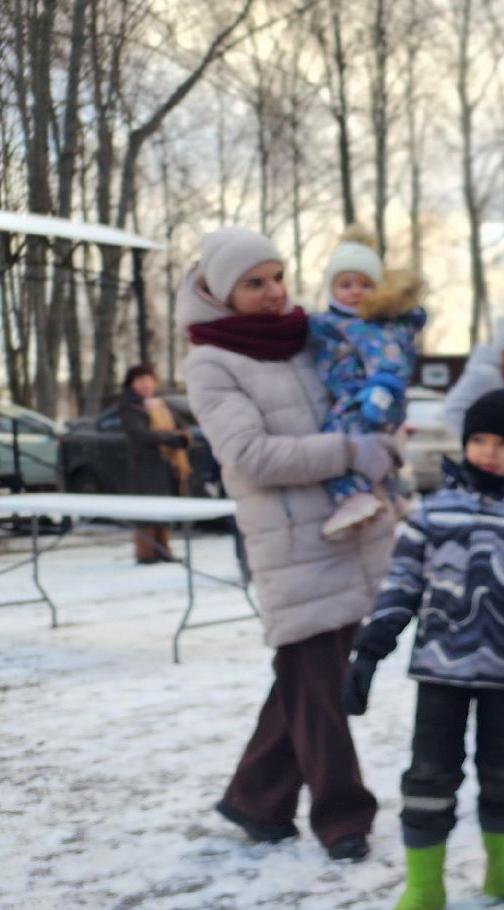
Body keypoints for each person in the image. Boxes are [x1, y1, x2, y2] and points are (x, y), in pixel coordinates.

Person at [182, 226, 399, 863]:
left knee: (305, 681)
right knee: (319, 682)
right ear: (223, 292)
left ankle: (256, 799)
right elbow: (248, 455)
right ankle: (343, 817)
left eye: (277, 276)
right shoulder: (212, 360)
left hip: (345, 530)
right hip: (288, 544)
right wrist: (347, 451)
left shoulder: (307, 338)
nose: (274, 292)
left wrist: (380, 433)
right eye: (255, 283)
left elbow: (355, 399)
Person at [340, 389, 504, 910]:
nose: (488, 453)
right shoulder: (436, 509)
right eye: (479, 440)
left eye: (503, 444)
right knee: (430, 775)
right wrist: (373, 645)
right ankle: (424, 886)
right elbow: (404, 580)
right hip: (441, 670)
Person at [309, 224, 428, 538]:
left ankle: (352, 497)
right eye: (345, 284)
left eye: (364, 284)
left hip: (364, 399)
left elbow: (388, 361)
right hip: (354, 396)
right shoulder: (330, 323)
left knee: (336, 444)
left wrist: (380, 391)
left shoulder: (372, 327)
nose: (355, 291)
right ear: (331, 288)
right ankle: (390, 496)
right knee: (374, 451)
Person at [116, 363, 191, 563]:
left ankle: (163, 549)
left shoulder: (160, 404)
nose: (146, 385)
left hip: (166, 463)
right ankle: (146, 552)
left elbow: (181, 426)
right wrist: (169, 438)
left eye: (149, 380)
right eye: (140, 380)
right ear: (131, 384)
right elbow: (139, 434)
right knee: (146, 508)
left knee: (164, 506)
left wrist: (183, 438)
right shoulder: (129, 406)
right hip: (144, 465)